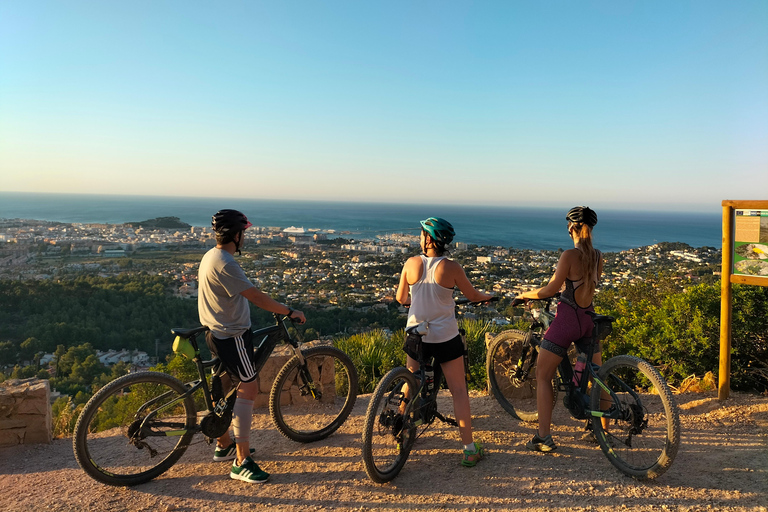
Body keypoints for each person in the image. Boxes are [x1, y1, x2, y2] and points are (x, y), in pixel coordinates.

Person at [198, 209, 306, 483]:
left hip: (215, 333)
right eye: (243, 232)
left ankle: (224, 444)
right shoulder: (226, 263)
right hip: (232, 336)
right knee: (249, 387)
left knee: (224, 387)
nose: (244, 237)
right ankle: (242, 461)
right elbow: (256, 296)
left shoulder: (211, 256)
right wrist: (288, 311)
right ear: (236, 234)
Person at [396, 217, 494, 467]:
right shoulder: (452, 267)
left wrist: (417, 302)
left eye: (421, 234)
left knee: (411, 378)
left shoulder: (410, 263)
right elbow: (472, 296)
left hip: (416, 334)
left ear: (428, 239)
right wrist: (487, 296)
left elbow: (401, 298)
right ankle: (469, 449)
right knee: (459, 392)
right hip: (445, 337)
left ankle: (401, 429)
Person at [515, 206, 603, 452]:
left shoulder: (569, 256)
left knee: (543, 376)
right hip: (589, 320)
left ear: (571, 227)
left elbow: (549, 291)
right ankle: (601, 432)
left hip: (567, 321)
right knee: (598, 375)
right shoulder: (598, 256)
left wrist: (525, 294)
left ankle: (544, 437)